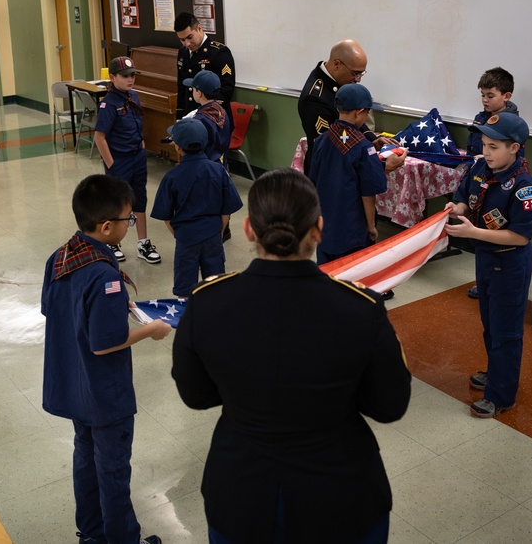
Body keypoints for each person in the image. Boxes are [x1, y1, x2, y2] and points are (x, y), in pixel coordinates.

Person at [172, 168, 412, 544]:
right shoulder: (360, 308)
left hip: (240, 493)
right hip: (341, 495)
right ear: (318, 229)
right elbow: (390, 405)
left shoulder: (207, 302)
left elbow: (196, 396)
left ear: (249, 229)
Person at [42, 174, 171, 544]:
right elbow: (105, 344)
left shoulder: (62, 255)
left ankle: (93, 534)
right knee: (113, 470)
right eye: (128, 221)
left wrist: (112, 309)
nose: (130, 226)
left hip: (73, 383)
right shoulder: (104, 276)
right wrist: (152, 330)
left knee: (85, 460)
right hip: (103, 392)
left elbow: (54, 309)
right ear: (106, 226)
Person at [445, 112, 532, 418]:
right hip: (485, 259)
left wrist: (472, 232)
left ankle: (501, 395)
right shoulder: (481, 168)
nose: (486, 151)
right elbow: (464, 197)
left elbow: (521, 237)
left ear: (515, 148)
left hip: (510, 263)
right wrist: (456, 207)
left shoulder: (523, 187)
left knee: (507, 330)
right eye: (484, 144)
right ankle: (496, 371)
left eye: (494, 147)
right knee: (490, 322)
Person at [309, 84, 405, 267]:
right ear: (359, 112)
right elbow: (368, 192)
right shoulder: (363, 146)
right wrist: (371, 226)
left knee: (327, 269)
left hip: (325, 223)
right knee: (352, 273)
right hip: (351, 227)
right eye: (367, 113)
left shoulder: (322, 139)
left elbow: (315, 177)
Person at [150, 120, 242, 297]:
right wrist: (219, 231)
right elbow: (226, 210)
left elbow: (166, 216)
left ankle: (188, 321)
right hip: (213, 236)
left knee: (185, 290)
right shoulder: (218, 170)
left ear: (177, 147)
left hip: (186, 239)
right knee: (216, 285)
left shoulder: (171, 177)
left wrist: (179, 234)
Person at [93, 56, 162, 265]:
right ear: (113, 77)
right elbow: (100, 137)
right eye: (124, 76)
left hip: (137, 158)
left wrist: (141, 143)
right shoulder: (108, 104)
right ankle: (112, 243)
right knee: (118, 203)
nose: (130, 80)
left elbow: (137, 122)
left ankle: (143, 243)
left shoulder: (134, 96)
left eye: (132, 75)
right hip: (119, 161)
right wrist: (111, 165)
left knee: (139, 198)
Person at [297, 39, 394, 176]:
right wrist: (380, 165)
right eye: (355, 73)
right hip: (329, 174)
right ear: (337, 64)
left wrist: (373, 139)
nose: (358, 79)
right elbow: (333, 148)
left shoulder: (340, 80)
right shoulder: (314, 98)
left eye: (361, 73)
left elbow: (353, 120)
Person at [465, 66, 520, 299]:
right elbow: (474, 147)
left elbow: (514, 159)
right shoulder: (481, 118)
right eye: (483, 95)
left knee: (496, 231)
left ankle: (497, 281)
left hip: (501, 185)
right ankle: (484, 280)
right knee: (480, 232)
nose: (485, 100)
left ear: (506, 96)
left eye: (490, 95)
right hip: (481, 181)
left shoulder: (512, 124)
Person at [174, 12, 235, 128]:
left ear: (199, 28)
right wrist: (179, 117)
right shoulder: (183, 53)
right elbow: (182, 88)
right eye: (182, 40)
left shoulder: (219, 53)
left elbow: (225, 92)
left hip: (214, 120)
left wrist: (200, 114)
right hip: (190, 119)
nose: (187, 43)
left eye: (189, 37)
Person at [182, 70, 232, 163]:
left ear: (199, 93)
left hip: (203, 168)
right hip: (218, 167)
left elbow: (195, 149)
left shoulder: (199, 120)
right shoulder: (222, 112)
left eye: (193, 89)